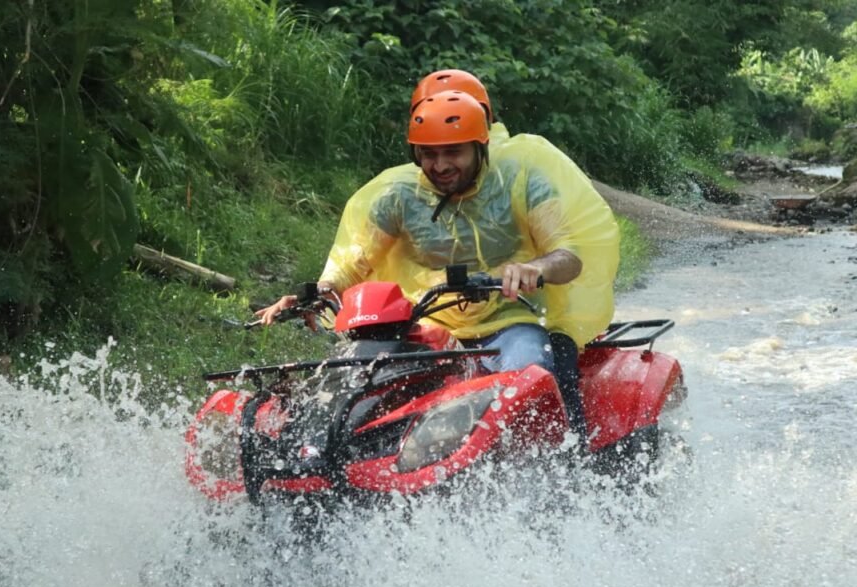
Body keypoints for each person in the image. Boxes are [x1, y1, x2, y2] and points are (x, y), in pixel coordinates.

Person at [257, 89, 619, 444]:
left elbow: (567, 257)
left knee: (531, 374)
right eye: (429, 154)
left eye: (453, 152)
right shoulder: (397, 197)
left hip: (511, 326)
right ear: (415, 154)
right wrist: (318, 295)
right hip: (426, 327)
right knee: (353, 379)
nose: (441, 165)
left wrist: (535, 269)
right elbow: (352, 264)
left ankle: (560, 467)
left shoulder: (524, 182)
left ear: (481, 146)